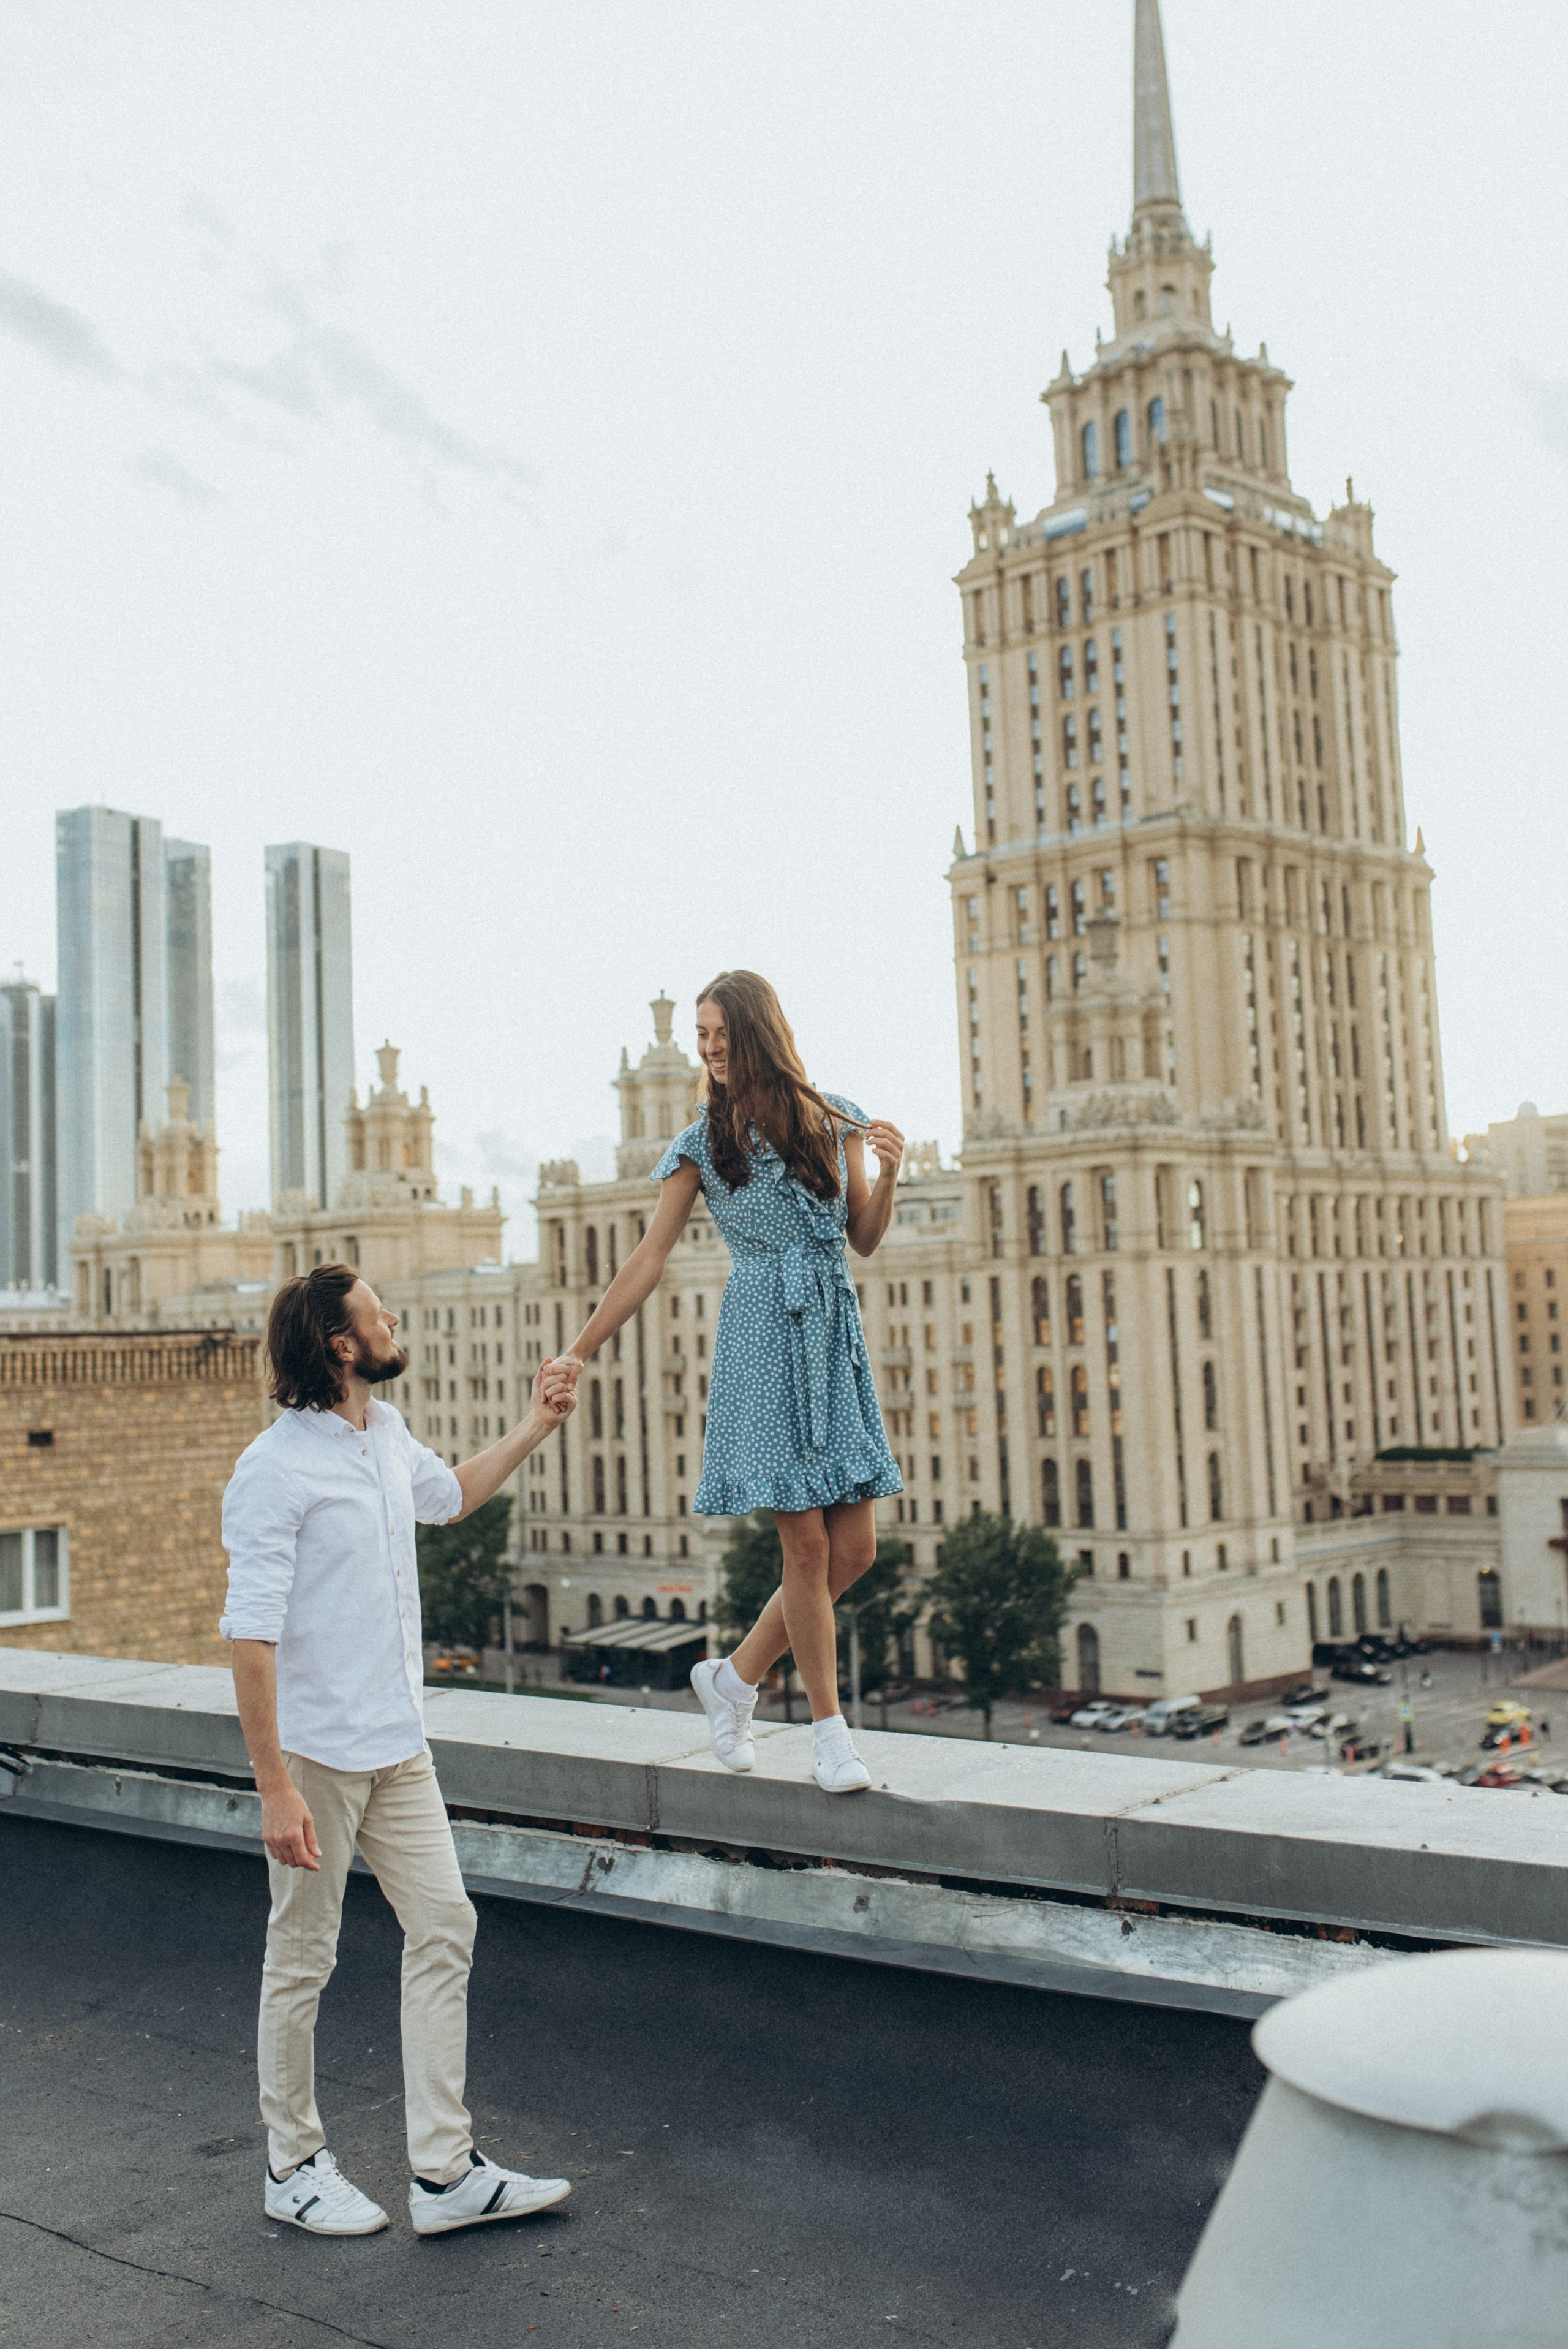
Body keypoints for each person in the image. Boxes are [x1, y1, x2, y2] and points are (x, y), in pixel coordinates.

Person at [221, 1263, 576, 2239]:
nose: (394, 1322)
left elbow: (450, 1496)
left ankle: (443, 2170)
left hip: (397, 1744)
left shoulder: (385, 1438)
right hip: (319, 1755)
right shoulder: (275, 1467)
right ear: (341, 1345)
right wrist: (275, 1786)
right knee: (303, 1957)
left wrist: (537, 1425)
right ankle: (291, 2165)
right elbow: (249, 1636)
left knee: (446, 1926)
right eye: (379, 1315)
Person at [543, 970, 904, 1794]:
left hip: (830, 1331)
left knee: (855, 1550)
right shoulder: (702, 1144)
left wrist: (889, 1173)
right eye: (702, 1037)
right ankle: (828, 1733)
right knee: (805, 1546)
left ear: (758, 1032)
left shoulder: (832, 1113)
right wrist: (581, 1347)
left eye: (720, 1034)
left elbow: (865, 1239)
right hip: (761, 1339)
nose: (708, 1050)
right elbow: (649, 1257)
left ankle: (732, 1677)